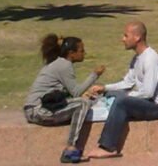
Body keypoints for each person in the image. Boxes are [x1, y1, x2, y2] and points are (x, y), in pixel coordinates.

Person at [85, 21, 158, 159]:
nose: (122, 39)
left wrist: (126, 95)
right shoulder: (137, 58)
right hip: (144, 102)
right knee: (112, 95)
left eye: (126, 35)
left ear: (137, 37)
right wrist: (104, 88)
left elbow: (148, 93)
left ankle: (108, 147)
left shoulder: (151, 58)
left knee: (121, 101)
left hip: (155, 107)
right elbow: (127, 83)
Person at [24, 34, 105, 164]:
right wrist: (95, 74)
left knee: (87, 101)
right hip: (37, 111)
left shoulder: (60, 63)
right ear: (71, 53)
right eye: (81, 50)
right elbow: (76, 92)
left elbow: (65, 93)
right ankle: (70, 149)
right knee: (83, 104)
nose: (84, 53)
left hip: (38, 109)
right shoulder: (64, 65)